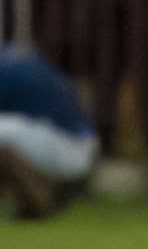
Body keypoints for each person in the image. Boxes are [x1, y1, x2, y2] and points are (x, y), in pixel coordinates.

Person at [0, 45, 99, 220]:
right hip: (80, 148)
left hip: (68, 149)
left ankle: (41, 201)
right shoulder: (21, 60)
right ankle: (33, 202)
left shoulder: (8, 72)